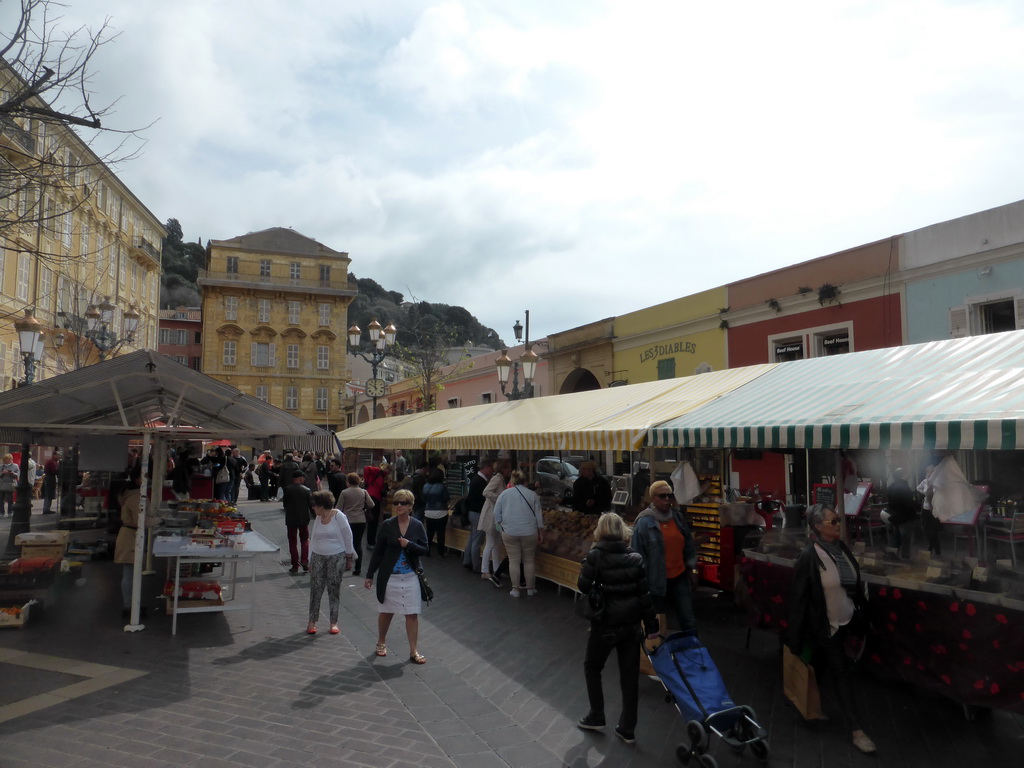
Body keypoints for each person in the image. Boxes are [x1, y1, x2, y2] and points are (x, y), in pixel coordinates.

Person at [787, 504, 876, 754]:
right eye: (833, 521)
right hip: (826, 625)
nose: (838, 524)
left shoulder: (842, 549)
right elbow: (798, 599)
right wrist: (795, 638)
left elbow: (853, 585)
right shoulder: (809, 556)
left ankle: (804, 704)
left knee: (818, 665)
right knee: (841, 671)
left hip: (847, 618)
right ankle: (856, 730)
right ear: (817, 526)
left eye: (838, 520)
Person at [576, 512, 660, 745]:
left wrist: (587, 566)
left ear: (601, 531)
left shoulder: (596, 555)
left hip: (605, 624)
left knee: (592, 667)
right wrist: (651, 625)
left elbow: (582, 586)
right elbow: (644, 595)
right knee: (629, 676)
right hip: (632, 626)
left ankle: (596, 714)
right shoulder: (635, 557)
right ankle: (628, 728)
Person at [363, 488, 429, 664]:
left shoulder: (417, 525)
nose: (399, 506)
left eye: (403, 503)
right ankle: (381, 641)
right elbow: (378, 552)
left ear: (410, 506)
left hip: (411, 576)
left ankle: (414, 650)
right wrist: (369, 575)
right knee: (386, 612)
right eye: (396, 503)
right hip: (390, 576)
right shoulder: (388, 525)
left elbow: (425, 549)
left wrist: (409, 545)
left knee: (412, 614)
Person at [630, 480, 698, 632]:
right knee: (656, 625)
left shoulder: (677, 517)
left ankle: (693, 653)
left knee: (688, 621)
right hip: (655, 582)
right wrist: (641, 586)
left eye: (670, 496)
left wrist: (693, 570)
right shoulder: (643, 523)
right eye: (663, 496)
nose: (667, 499)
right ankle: (658, 654)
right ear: (653, 498)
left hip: (679, 577)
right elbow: (637, 556)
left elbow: (689, 545)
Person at [307, 489, 356, 635]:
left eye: (315, 505)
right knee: (316, 589)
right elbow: (313, 538)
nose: (313, 508)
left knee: (333, 589)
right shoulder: (318, 518)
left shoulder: (339, 516)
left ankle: (333, 622)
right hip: (318, 556)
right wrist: (310, 559)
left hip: (336, 556)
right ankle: (312, 621)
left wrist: (348, 557)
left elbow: (348, 536)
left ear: (322, 505)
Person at [114, 467, 159, 618]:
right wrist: (160, 520)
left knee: (131, 573)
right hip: (131, 537)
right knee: (129, 574)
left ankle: (132, 604)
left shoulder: (131, 494)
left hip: (130, 535)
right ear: (138, 480)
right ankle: (129, 607)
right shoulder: (136, 498)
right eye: (146, 478)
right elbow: (141, 521)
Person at [493, 470, 546, 597]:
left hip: (509, 531)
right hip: (529, 531)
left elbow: (496, 514)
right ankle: (530, 588)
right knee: (529, 560)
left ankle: (515, 589)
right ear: (526, 481)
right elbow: (539, 516)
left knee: (514, 560)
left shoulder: (504, 494)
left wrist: (501, 527)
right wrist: (541, 532)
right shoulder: (533, 495)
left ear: (513, 481)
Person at [479, 459, 511, 586]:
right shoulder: (497, 479)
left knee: (496, 543)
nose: (509, 470)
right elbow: (486, 492)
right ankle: (485, 570)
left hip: (495, 516)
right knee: (491, 543)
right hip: (491, 516)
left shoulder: (500, 479)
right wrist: (500, 498)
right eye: (508, 468)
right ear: (503, 468)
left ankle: (497, 569)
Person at [339, 472, 374, 575]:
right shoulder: (363, 492)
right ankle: (358, 568)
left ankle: (346, 564)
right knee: (358, 543)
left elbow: (339, 508)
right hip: (361, 520)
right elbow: (371, 504)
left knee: (346, 542)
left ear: (348, 482)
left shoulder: (344, 493)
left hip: (347, 520)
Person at [462, 460, 493, 573]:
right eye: (491, 468)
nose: (492, 471)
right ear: (486, 468)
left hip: (472, 512)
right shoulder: (480, 481)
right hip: (478, 513)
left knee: (472, 538)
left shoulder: (476, 479)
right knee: (477, 540)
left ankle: (467, 560)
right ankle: (476, 565)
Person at [282, 470, 313, 573]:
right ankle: (304, 560)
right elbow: (311, 505)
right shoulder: (307, 490)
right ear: (300, 478)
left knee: (292, 542)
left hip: (291, 519)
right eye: (303, 478)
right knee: (304, 540)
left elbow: (285, 504)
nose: (304, 480)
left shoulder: (287, 489)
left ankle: (295, 565)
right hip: (304, 519)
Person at [885, 468, 918, 560]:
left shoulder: (891, 486)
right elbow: (909, 504)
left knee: (896, 537)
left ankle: (892, 556)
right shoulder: (904, 487)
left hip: (895, 517)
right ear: (902, 475)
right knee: (906, 540)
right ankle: (905, 558)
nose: (908, 474)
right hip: (906, 518)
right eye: (906, 473)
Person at [421, 467, 451, 557]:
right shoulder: (442, 486)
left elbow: (423, 499)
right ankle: (441, 552)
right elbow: (447, 498)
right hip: (441, 512)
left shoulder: (425, 486)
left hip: (428, 511)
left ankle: (427, 550)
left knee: (429, 533)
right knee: (441, 533)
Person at [363, 461, 388, 548]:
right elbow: (366, 468)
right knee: (373, 521)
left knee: (373, 521)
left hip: (374, 498)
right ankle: (371, 542)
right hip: (373, 498)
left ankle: (371, 541)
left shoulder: (381, 475)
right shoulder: (377, 472)